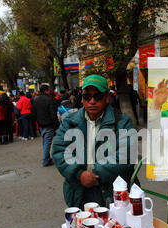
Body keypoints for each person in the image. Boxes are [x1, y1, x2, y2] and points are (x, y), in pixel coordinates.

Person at [52, 74, 137, 208]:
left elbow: (126, 156)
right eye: (87, 96)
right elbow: (59, 152)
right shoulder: (69, 121)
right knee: (81, 227)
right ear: (82, 98)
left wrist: (95, 174)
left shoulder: (122, 121)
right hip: (79, 191)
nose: (92, 101)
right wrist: (79, 175)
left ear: (107, 98)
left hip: (112, 193)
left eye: (97, 96)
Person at [32, 85, 59, 167]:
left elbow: (34, 112)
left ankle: (47, 157)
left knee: (45, 141)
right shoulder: (49, 100)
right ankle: (45, 160)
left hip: (41, 123)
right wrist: (56, 123)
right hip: (49, 123)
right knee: (47, 142)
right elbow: (53, 114)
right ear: (46, 91)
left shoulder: (35, 100)